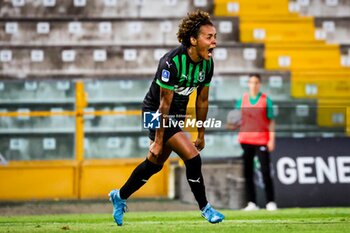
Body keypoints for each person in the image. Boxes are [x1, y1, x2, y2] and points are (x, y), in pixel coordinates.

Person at [109, 10, 224, 226]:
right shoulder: (171, 62)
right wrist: (159, 140)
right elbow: (163, 105)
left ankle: (120, 196)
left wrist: (201, 133)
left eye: (215, 37)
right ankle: (205, 208)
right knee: (192, 156)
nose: (214, 42)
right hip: (155, 112)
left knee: (155, 164)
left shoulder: (207, 64)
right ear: (193, 39)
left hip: (176, 114)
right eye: (209, 37)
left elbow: (202, 101)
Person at [227, 73, 277, 211]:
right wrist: (232, 125)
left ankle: (270, 202)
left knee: (266, 171)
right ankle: (252, 203)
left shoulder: (266, 100)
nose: (253, 85)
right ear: (248, 84)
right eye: (251, 82)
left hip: (261, 140)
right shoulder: (242, 100)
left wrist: (272, 139)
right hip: (246, 140)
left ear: (259, 84)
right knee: (247, 172)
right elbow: (238, 118)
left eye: (256, 82)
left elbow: (271, 121)